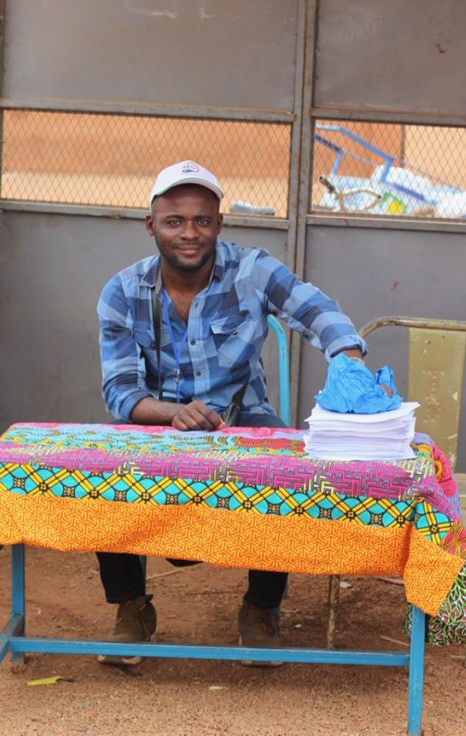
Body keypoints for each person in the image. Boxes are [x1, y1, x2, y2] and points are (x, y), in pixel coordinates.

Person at [96, 159, 369, 665]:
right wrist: (173, 414)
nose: (189, 233)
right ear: (151, 225)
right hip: (158, 422)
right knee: (105, 468)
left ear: (219, 224)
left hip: (243, 419)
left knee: (288, 472)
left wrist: (347, 360)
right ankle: (131, 608)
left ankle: (261, 610)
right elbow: (120, 391)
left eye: (202, 220)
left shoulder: (252, 270)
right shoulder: (122, 291)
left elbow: (317, 311)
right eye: (174, 221)